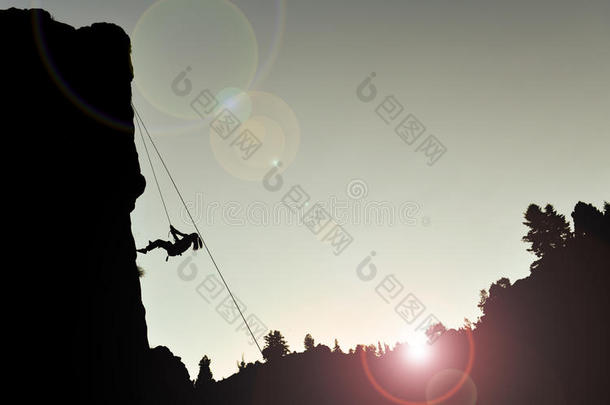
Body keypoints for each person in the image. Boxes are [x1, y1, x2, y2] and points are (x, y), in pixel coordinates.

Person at [137, 225, 202, 261]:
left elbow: (178, 242)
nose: (190, 234)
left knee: (159, 241)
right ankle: (151, 246)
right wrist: (173, 229)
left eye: (192, 234)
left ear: (192, 237)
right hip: (173, 250)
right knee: (160, 242)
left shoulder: (188, 242)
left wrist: (173, 233)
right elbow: (179, 233)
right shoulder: (187, 237)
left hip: (173, 250)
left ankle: (146, 249)